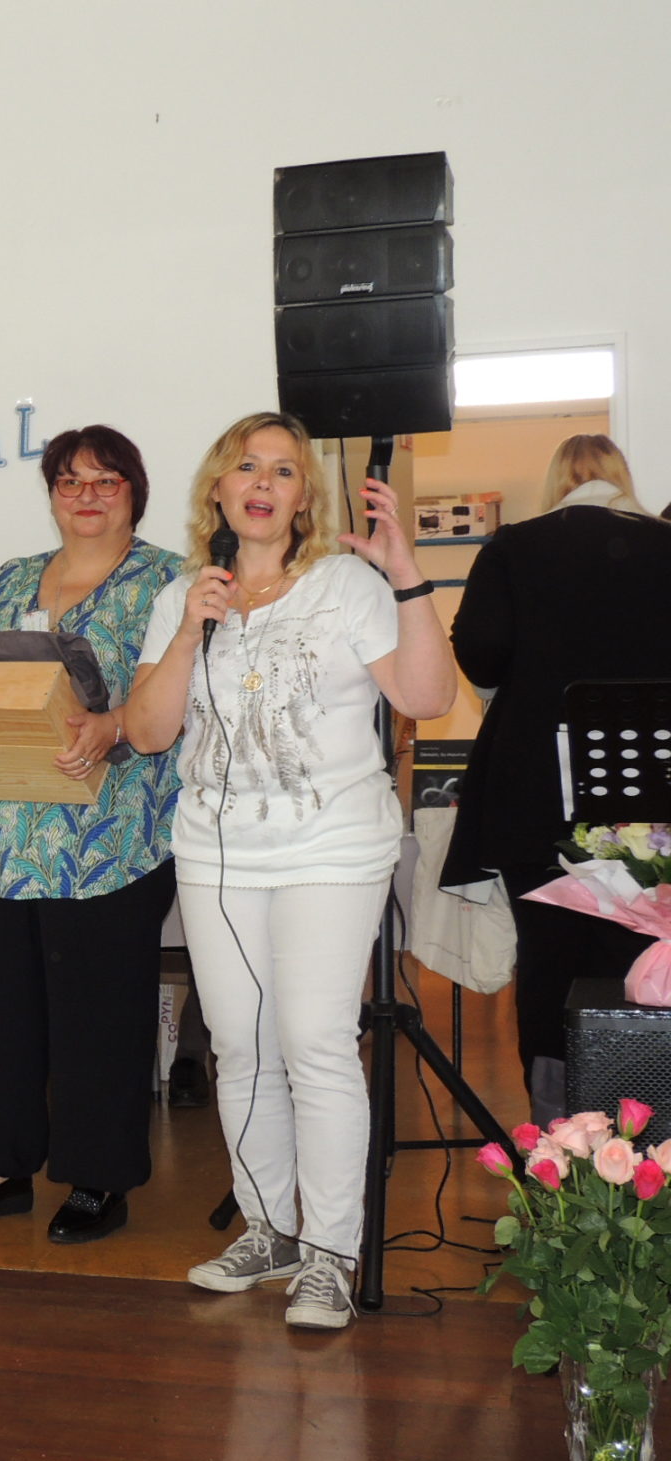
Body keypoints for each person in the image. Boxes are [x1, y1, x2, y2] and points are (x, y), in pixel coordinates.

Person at [124, 411, 455, 1329]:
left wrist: (407, 575)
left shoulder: (347, 584)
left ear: (303, 495)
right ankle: (268, 1228)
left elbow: (428, 698)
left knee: (313, 1042)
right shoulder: (185, 595)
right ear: (219, 491)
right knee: (241, 1047)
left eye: (282, 470)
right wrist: (191, 630)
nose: (262, 483)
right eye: (245, 467)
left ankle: (330, 1255)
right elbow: (149, 733)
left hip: (333, 847)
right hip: (217, 851)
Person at [0, 426, 182, 1244]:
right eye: (70, 482)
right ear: (51, 494)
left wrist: (113, 726)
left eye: (105, 482)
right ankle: (0, 1167)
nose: (87, 497)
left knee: (99, 1015)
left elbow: (180, 702)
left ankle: (99, 1178)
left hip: (109, 841)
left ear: (135, 490)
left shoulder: (169, 582)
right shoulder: (8, 581)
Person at [441, 433, 671, 1123]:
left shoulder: (511, 547)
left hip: (534, 792)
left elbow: (481, 658)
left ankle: (558, 1132)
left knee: (547, 962)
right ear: (621, 479)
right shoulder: (666, 545)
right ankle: (644, 1137)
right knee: (641, 958)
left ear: (556, 483)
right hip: (650, 790)